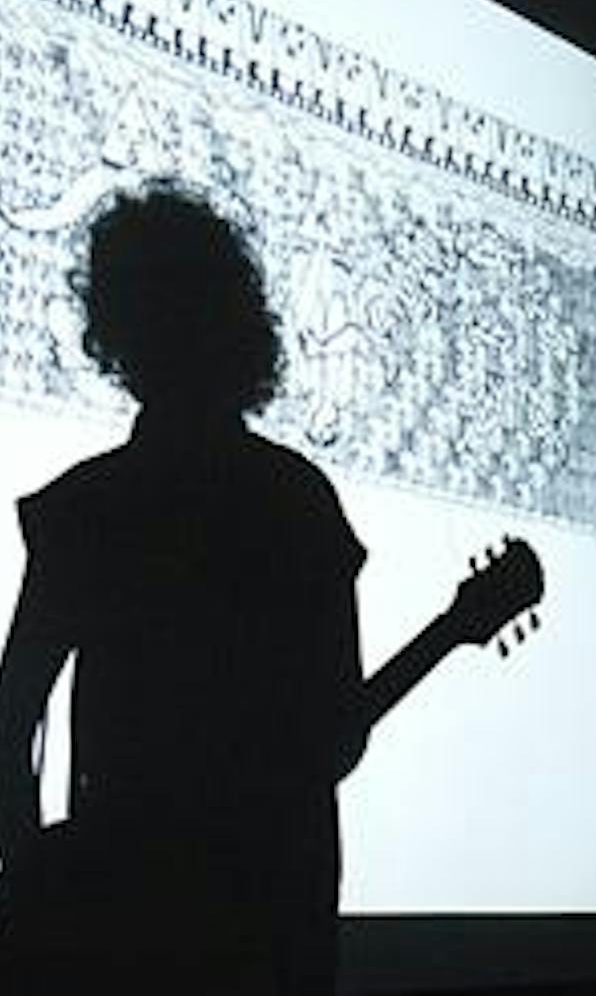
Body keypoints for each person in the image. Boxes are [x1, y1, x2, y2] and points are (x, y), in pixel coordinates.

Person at [0, 183, 369, 994]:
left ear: (115, 330)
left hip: (116, 926)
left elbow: (12, 713)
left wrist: (33, 884)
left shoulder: (85, 506)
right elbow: (338, 738)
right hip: (268, 926)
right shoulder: (298, 503)